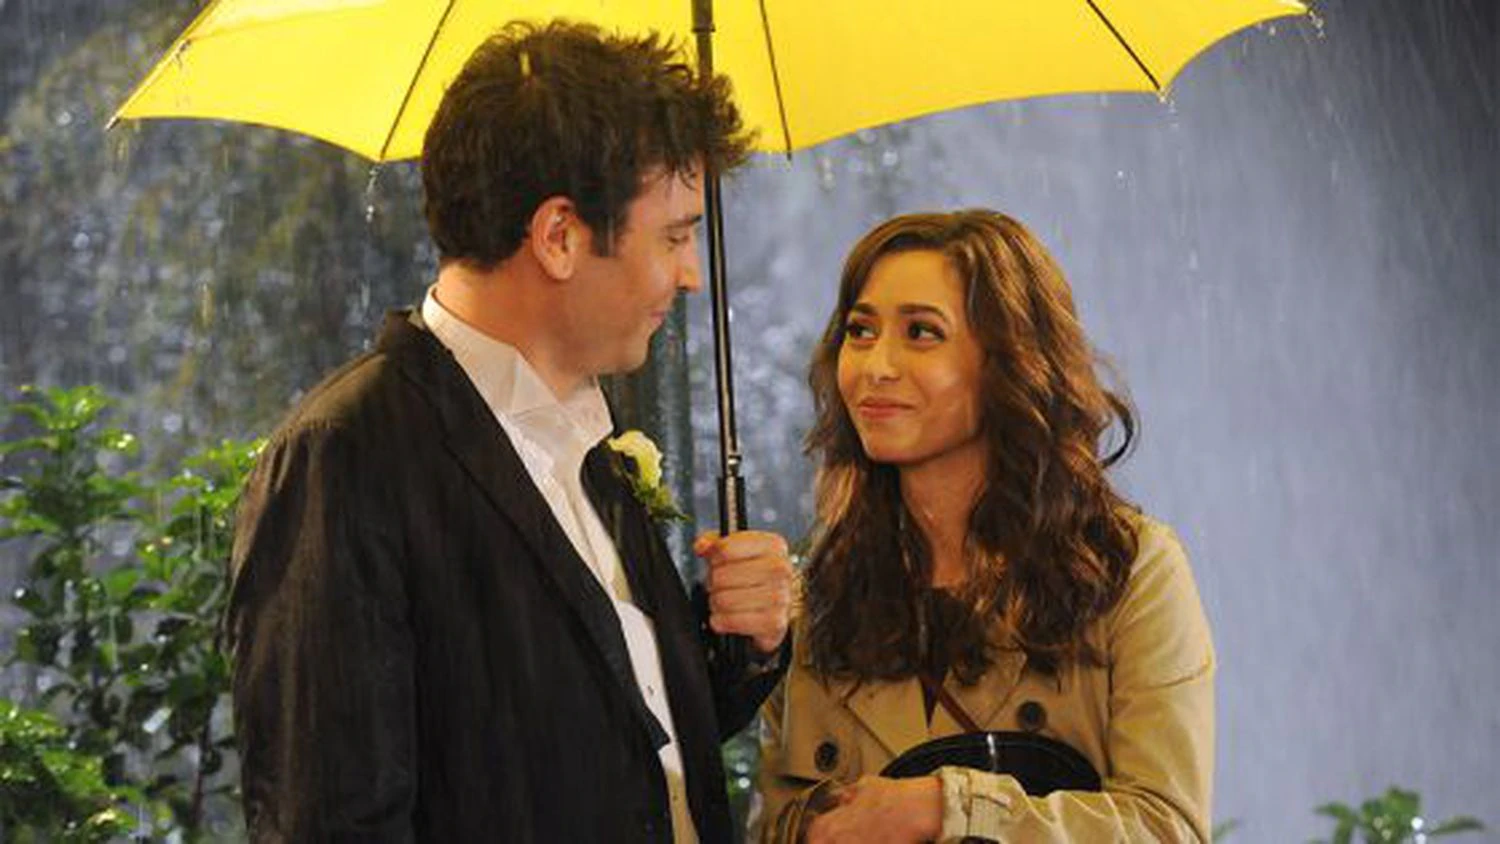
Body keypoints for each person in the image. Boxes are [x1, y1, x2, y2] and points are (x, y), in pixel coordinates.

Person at [226, 21, 794, 843]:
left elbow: (607, 743)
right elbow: (331, 819)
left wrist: (743, 644)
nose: (690, 274)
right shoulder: (346, 456)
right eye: (673, 235)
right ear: (560, 236)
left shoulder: (595, 440)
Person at [752, 210, 1215, 842]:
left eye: (921, 332)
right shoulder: (823, 599)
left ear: (1010, 361)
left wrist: (950, 806)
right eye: (860, 331)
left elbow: (1168, 829)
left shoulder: (1128, 571)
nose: (876, 366)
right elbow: (774, 826)